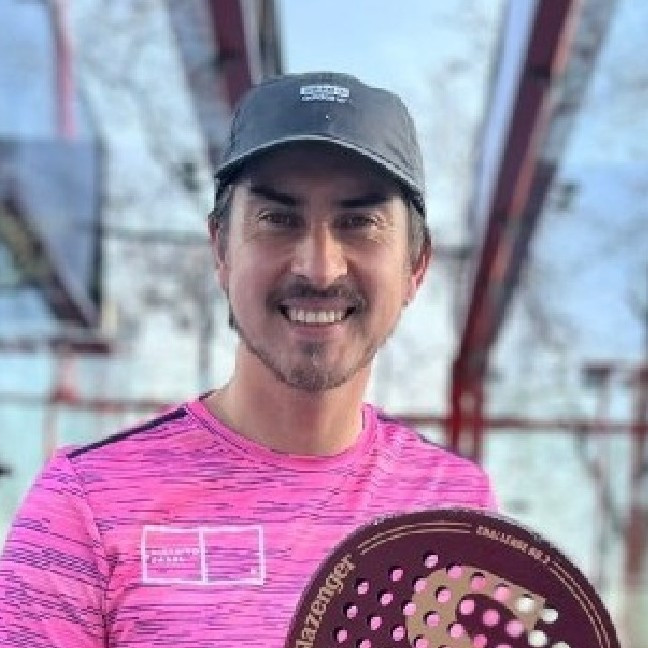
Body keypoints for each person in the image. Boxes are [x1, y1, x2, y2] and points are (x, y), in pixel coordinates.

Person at [0, 71, 496, 647]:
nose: (320, 268)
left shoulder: (456, 506)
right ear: (221, 250)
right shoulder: (84, 502)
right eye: (278, 219)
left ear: (416, 266)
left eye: (359, 223)